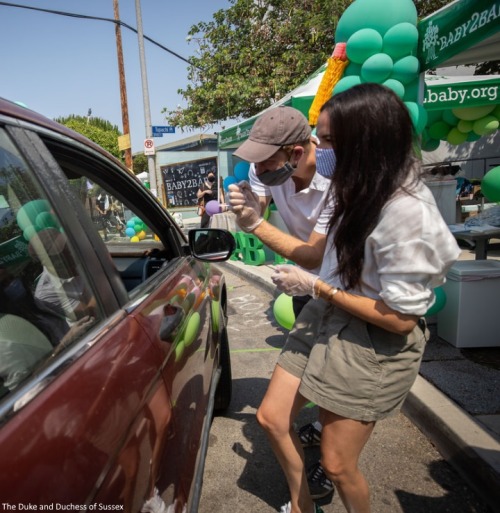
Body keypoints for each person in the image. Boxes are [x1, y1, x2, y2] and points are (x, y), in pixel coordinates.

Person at [240, 83, 461, 513]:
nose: (317, 150)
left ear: (365, 143)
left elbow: (398, 319)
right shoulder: (354, 186)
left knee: (339, 464)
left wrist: (315, 286)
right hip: (328, 310)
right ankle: (303, 506)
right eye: (319, 138)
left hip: (371, 337)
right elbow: (324, 257)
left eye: (327, 141)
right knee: (270, 416)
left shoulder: (408, 213)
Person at [230, 106, 336, 498]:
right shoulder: (270, 173)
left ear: (295, 152)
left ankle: (328, 460)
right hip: (304, 288)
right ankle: (322, 430)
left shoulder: (336, 180)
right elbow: (259, 203)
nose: (257, 169)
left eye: (265, 159)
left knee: (331, 377)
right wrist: (247, 206)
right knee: (310, 375)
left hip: (342, 291)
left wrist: (255, 225)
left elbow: (312, 255)